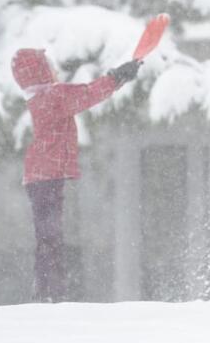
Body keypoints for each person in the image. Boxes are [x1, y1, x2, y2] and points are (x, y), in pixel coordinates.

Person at [11, 49, 142, 302]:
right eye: (49, 65)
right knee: (51, 238)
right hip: (46, 175)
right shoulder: (53, 96)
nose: (54, 69)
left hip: (41, 174)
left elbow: (84, 94)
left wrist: (119, 77)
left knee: (47, 237)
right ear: (41, 71)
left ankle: (47, 292)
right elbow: (88, 94)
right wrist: (117, 77)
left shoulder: (41, 97)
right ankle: (50, 294)